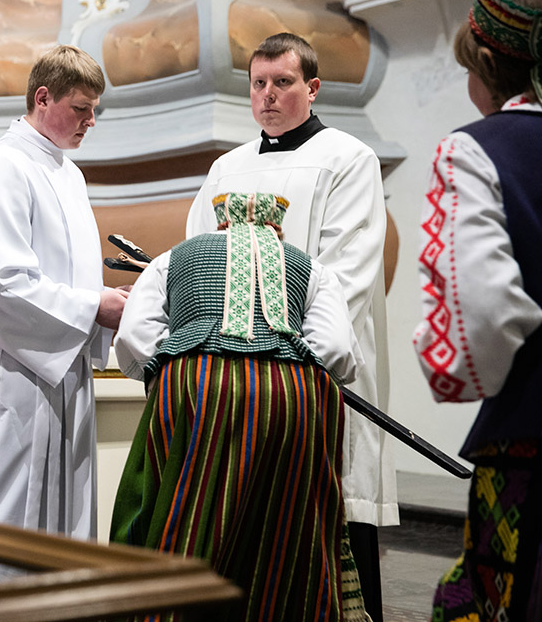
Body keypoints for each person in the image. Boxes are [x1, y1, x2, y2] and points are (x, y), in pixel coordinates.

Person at [184, 32, 395, 621]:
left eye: (283, 82)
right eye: (259, 84)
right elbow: (197, 259)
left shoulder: (348, 159)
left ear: (313, 87)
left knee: (326, 518)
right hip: (235, 380)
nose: (268, 95)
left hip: (312, 373)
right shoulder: (226, 168)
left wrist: (278, 345)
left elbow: (345, 275)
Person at [111, 192, 368, 621]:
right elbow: (337, 350)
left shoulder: (173, 258)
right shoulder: (311, 267)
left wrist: (170, 370)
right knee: (286, 524)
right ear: (277, 226)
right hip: (289, 394)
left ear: (221, 221)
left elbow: (135, 338)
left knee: (183, 512)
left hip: (195, 385)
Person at [0, 44, 129, 588]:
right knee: (3, 524)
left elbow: (61, 274)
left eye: (94, 110)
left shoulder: (68, 174)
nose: (90, 121)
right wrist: (94, 306)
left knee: (62, 536)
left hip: (63, 371)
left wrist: (103, 298)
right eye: (80, 108)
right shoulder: (1, 166)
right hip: (12, 376)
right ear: (42, 98)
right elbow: (0, 285)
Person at [413, 0, 542, 621]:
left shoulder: (478, 149)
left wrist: (447, 364)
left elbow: (483, 315)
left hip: (528, 438)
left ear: (486, 63)